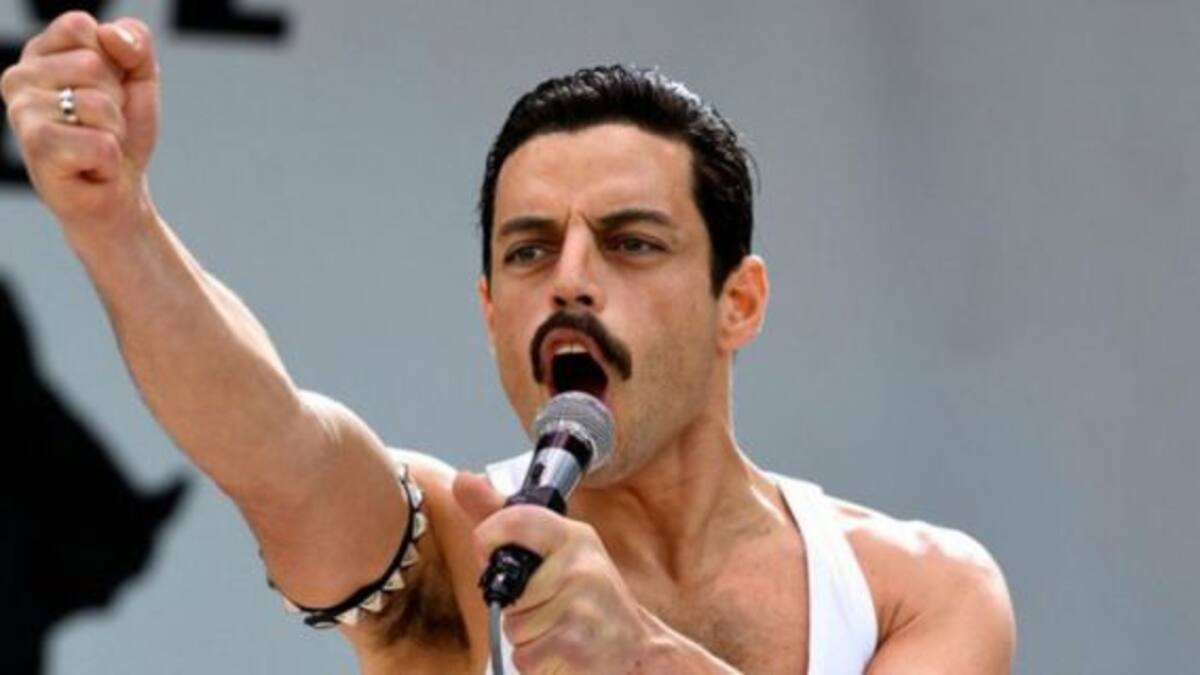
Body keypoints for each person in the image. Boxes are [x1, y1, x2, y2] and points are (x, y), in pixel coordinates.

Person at [1, 11, 1016, 675]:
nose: (570, 278)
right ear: (491, 311)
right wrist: (115, 223)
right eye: (530, 252)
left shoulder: (914, 590)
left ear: (737, 302)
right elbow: (275, 447)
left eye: (631, 242)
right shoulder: (455, 551)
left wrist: (642, 659)